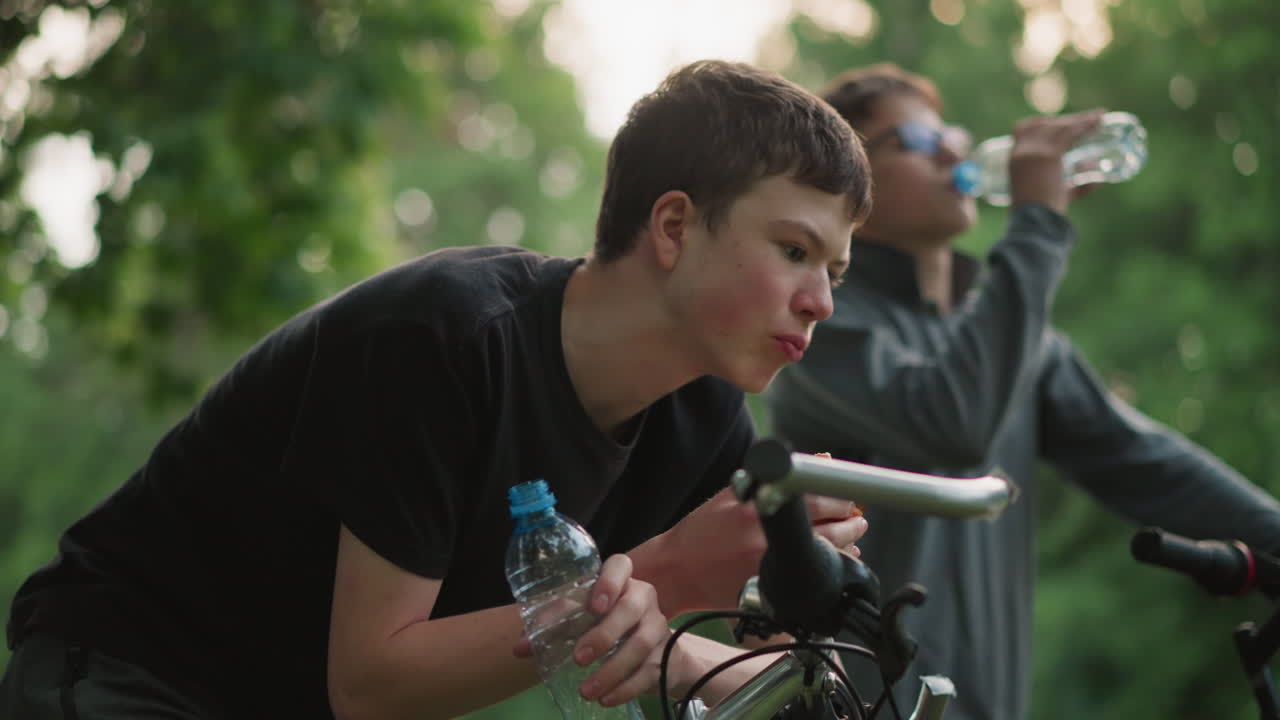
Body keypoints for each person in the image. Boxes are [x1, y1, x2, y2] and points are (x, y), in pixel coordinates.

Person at [2, 60, 875, 720]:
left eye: (834, 269)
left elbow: (661, 649)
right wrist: (671, 572)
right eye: (794, 251)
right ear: (675, 225)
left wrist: (805, 666)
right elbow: (373, 679)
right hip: (125, 670)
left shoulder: (703, 415)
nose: (821, 300)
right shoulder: (443, 340)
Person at [766, 63, 1280, 720]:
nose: (954, 149)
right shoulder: (817, 326)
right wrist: (1038, 223)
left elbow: (1152, 465)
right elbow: (954, 423)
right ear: (848, 184)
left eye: (950, 133)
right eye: (919, 143)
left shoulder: (1006, 338)